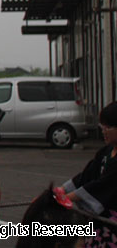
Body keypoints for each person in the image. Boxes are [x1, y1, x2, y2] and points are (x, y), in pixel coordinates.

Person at [62, 101, 117, 248]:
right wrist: (60, 191)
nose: (104, 131)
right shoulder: (105, 152)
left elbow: (102, 185)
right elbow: (86, 176)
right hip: (99, 221)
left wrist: (67, 198)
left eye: (109, 127)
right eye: (102, 127)